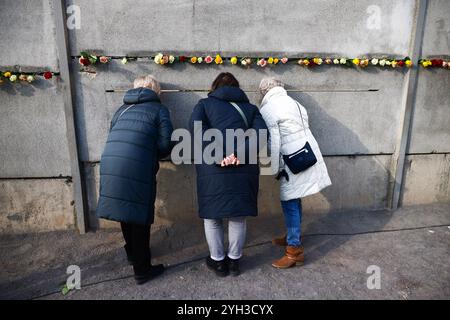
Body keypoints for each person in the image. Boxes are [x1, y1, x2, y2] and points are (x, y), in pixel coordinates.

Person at [97, 75, 174, 284]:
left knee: (125, 209)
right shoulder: (159, 110)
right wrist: (149, 153)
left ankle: (132, 254)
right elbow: (166, 144)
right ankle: (142, 270)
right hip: (136, 164)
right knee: (139, 215)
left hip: (111, 162)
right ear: (156, 91)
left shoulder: (121, 109)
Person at [189, 72, 268, 277]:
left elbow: (196, 130)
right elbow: (261, 134)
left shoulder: (204, 105)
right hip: (244, 168)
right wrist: (240, 155)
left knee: (212, 217)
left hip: (212, 169)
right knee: (238, 216)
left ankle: (218, 262)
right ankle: (234, 261)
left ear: (215, 87)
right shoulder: (250, 109)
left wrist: (219, 155)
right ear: (237, 87)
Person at [258, 77, 331, 269]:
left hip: (291, 161)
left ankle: (294, 251)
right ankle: (293, 236)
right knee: (295, 197)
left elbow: (273, 142)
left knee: (289, 201)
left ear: (264, 92)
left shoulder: (268, 109)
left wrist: (273, 167)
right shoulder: (296, 103)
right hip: (307, 154)